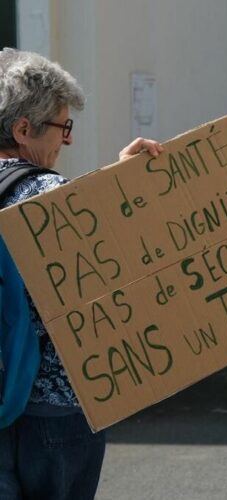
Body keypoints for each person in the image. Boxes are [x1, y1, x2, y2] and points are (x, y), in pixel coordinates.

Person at [0, 48, 163, 500]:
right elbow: (124, 263)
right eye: (62, 127)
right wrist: (127, 184)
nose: (66, 141)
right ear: (22, 129)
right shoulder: (51, 198)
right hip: (52, 410)